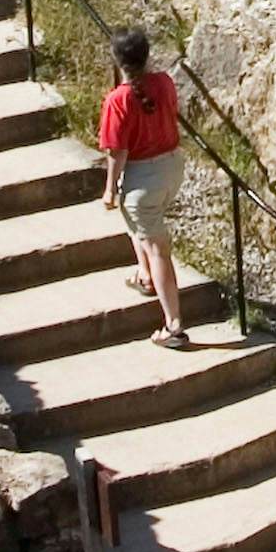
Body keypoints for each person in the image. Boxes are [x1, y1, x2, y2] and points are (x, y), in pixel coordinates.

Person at [93, 27, 193, 341]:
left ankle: (174, 325)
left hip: (142, 180)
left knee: (157, 247)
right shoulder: (163, 82)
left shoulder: (118, 99)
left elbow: (116, 151)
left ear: (117, 60)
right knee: (139, 223)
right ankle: (146, 274)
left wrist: (110, 188)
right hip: (172, 167)